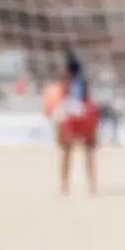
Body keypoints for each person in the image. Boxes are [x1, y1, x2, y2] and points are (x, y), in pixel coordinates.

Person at [46, 52, 99, 194]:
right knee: (88, 152)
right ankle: (91, 184)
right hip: (86, 117)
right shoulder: (84, 83)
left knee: (67, 152)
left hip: (72, 119)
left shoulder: (65, 85)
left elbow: (60, 105)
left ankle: (64, 184)